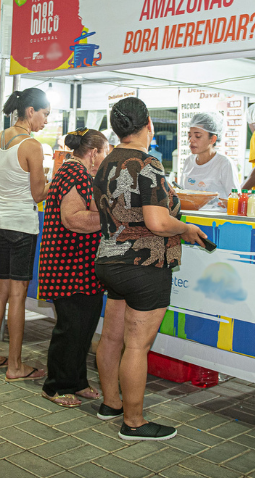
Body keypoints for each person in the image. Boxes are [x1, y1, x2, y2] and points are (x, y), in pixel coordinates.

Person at [93, 97, 207, 441]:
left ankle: (111, 403)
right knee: (137, 346)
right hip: (144, 264)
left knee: (112, 337)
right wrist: (185, 228)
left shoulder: (106, 162)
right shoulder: (147, 164)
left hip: (110, 261)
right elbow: (157, 222)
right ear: (149, 126)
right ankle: (134, 422)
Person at [0, 88, 51, 380]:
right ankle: (14, 365)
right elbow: (37, 195)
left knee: (1, 291)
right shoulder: (32, 146)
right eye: (45, 114)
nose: (46, 121)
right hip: (21, 226)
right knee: (18, 297)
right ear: (31, 111)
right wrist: (55, 178)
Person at [38, 128, 108, 408]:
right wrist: (110, 218)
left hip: (80, 265)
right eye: (104, 152)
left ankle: (77, 381)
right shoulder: (73, 173)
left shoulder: (76, 172)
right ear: (93, 154)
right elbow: (73, 219)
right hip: (68, 264)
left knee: (84, 327)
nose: (105, 158)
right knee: (70, 328)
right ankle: (55, 386)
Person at [179, 112, 239, 211]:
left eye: (197, 136)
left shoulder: (224, 163)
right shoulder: (188, 162)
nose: (191, 140)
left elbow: (234, 198)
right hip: (190, 218)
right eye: (189, 136)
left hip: (215, 222)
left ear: (213, 139)